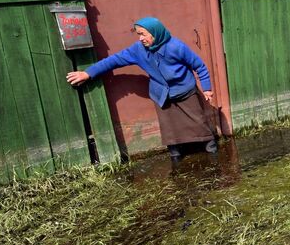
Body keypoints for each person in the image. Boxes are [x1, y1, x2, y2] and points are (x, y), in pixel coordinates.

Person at [66, 16, 216, 161]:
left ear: (155, 33)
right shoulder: (138, 50)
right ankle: (175, 155)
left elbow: (199, 66)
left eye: (143, 34)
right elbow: (114, 60)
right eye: (138, 34)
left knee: (198, 121)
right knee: (169, 127)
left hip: (185, 91)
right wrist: (88, 73)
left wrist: (207, 88)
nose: (140, 38)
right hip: (162, 94)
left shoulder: (176, 46)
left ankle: (211, 148)